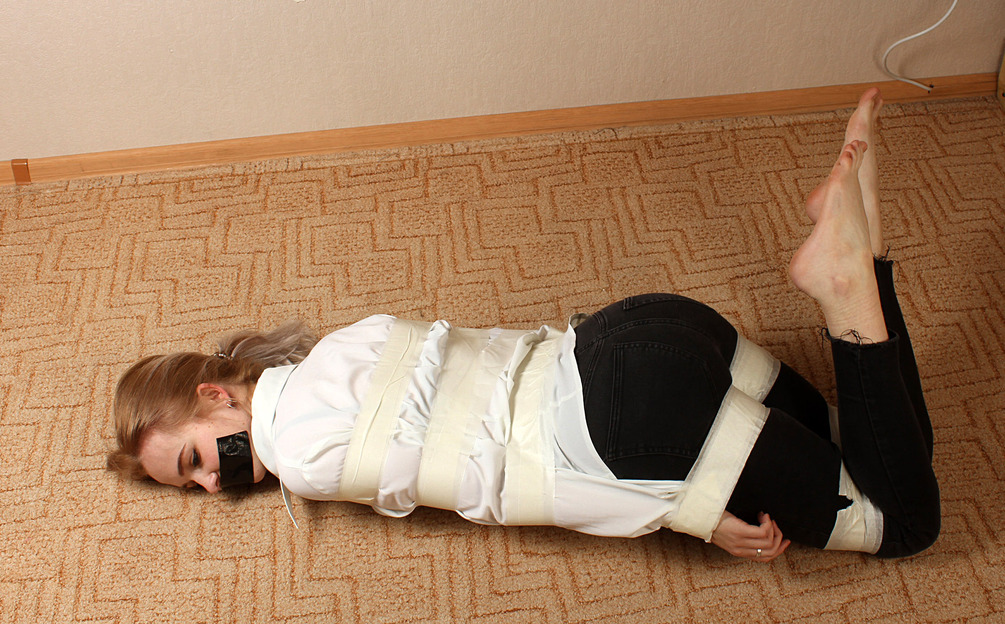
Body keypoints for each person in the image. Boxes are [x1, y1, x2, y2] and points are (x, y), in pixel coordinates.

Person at [107, 89, 940, 561]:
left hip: (630, 423)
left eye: (195, 460)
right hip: (636, 332)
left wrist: (688, 509)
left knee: (901, 523)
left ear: (215, 395)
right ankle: (860, 255)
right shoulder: (342, 344)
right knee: (857, 442)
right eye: (194, 485)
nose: (213, 484)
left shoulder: (300, 455)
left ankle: (844, 290)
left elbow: (502, 482)